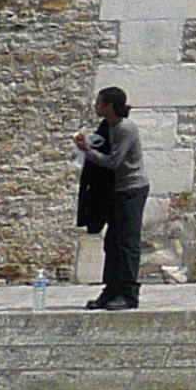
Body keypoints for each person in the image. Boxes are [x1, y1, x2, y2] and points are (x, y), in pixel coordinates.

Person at [76, 85, 149, 310]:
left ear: (110, 106)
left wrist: (88, 150)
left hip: (131, 189)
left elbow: (114, 162)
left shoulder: (125, 128)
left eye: (100, 103)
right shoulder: (108, 126)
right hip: (116, 191)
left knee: (127, 243)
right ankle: (111, 289)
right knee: (112, 243)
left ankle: (128, 293)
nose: (96, 106)